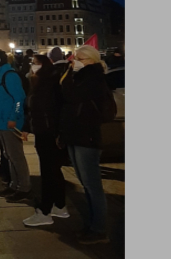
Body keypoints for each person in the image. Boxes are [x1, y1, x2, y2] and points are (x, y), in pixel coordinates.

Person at [57, 45, 112, 244]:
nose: (75, 61)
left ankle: (99, 229)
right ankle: (91, 225)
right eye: (75, 58)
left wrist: (72, 74)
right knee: (85, 182)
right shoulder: (79, 75)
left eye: (81, 58)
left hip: (86, 136)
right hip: (75, 134)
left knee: (92, 184)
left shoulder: (93, 77)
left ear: (91, 60)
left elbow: (72, 95)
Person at [22, 49, 69, 227]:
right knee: (54, 170)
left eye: (34, 62)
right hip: (48, 130)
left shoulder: (46, 83)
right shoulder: (45, 81)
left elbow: (42, 108)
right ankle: (60, 205)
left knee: (48, 172)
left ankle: (45, 210)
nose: (32, 65)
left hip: (48, 132)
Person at [0, 48, 32, 203]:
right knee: (9, 155)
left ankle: (24, 187)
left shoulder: (9, 76)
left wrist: (14, 116)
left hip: (9, 122)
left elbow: (19, 99)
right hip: (2, 121)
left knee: (16, 156)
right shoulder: (2, 75)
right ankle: (15, 184)